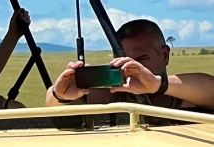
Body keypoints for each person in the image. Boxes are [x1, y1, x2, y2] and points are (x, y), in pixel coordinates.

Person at [47, 18, 214, 111]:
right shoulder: (113, 93)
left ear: (164, 55)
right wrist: (60, 95)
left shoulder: (183, 94)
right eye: (124, 61)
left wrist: (156, 84)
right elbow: (50, 104)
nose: (133, 69)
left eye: (141, 60)